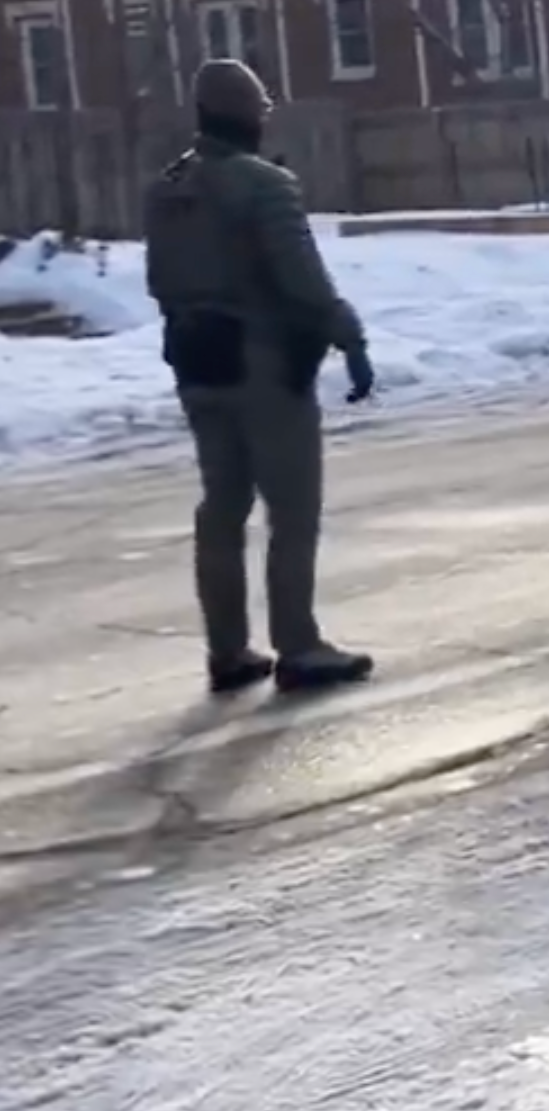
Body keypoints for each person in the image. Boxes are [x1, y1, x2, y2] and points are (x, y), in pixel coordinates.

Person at [142, 60, 378, 693]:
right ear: (251, 114)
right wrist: (348, 335)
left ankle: (227, 650)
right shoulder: (264, 184)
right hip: (262, 362)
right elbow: (302, 279)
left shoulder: (165, 187)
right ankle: (298, 644)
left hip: (195, 359)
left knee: (222, 505)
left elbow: (159, 279)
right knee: (292, 508)